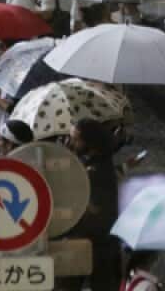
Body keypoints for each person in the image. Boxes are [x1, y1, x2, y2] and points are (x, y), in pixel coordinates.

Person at [65, 118, 120, 291]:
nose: (69, 142)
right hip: (91, 244)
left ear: (91, 143)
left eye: (75, 139)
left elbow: (94, 209)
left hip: (97, 248)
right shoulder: (94, 161)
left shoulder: (95, 173)